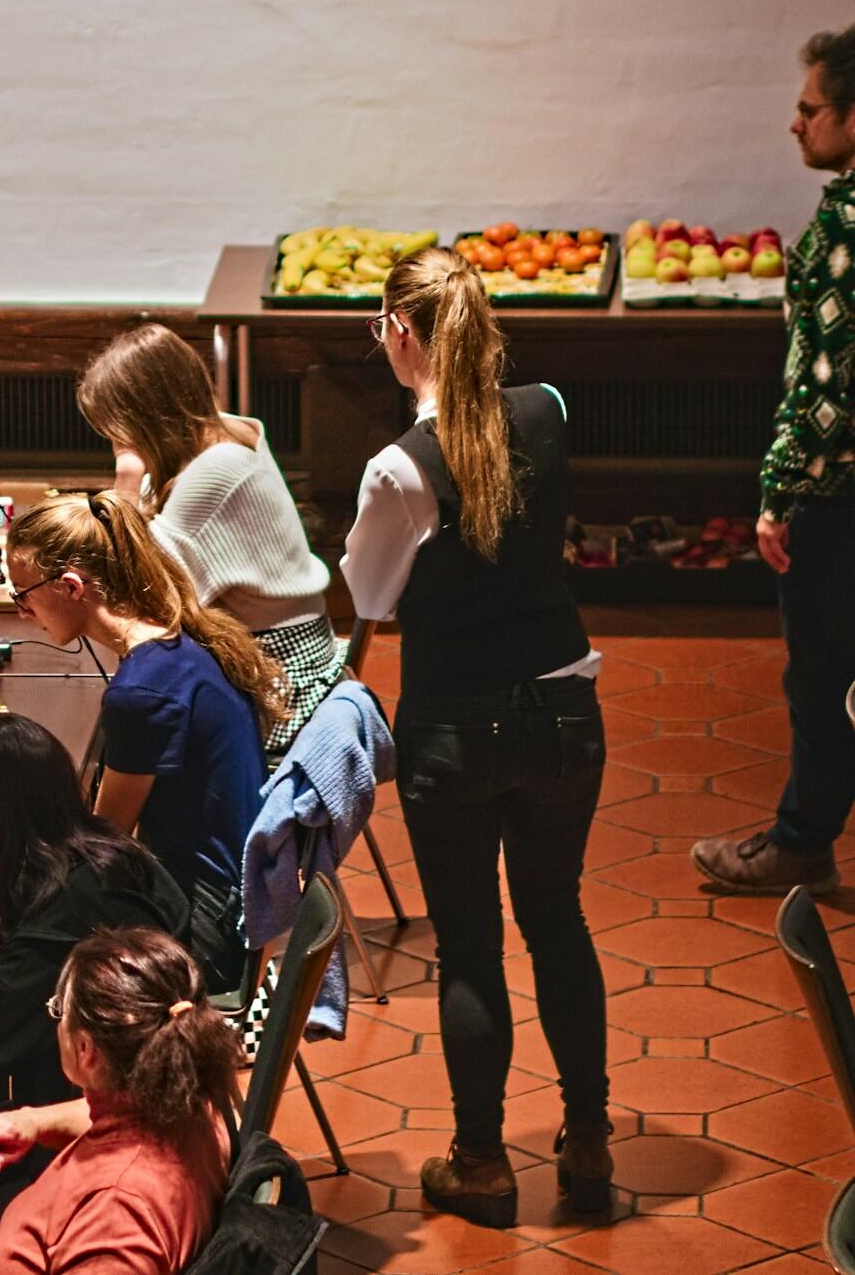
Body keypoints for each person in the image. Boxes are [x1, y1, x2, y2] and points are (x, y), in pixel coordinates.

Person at [341, 246, 609, 1227]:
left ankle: (483, 1165)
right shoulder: (547, 408)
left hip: (456, 730)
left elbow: (369, 595)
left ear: (402, 335)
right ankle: (588, 1142)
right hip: (565, 713)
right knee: (558, 919)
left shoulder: (397, 468)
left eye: (380, 330)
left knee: (469, 947)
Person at [692, 22, 855, 896]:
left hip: (840, 498)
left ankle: (801, 842)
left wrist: (779, 493)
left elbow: (824, 388)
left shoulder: (843, 223)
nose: (797, 126)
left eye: (811, 110)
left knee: (823, 674)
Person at [5, 491, 283, 993]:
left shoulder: (141, 693)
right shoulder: (179, 637)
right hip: (239, 897)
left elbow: (108, 838)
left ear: (70, 587)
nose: (21, 609)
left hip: (208, 930)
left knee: (33, 966)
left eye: (22, 592)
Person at [0, 712, 190, 1214]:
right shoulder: (88, 847)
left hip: (122, 1127)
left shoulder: (70, 906)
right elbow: (1, 931)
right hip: (143, 1095)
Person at [79, 324, 341, 756]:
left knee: (133, 720)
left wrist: (125, 481)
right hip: (288, 650)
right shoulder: (226, 433)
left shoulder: (215, 471)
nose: (113, 441)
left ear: (146, 418)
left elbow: (139, 590)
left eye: (116, 429)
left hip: (279, 679)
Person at [0, 928, 237, 1275]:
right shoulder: (193, 1098)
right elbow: (125, 1118)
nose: (57, 1020)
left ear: (86, 1051)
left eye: (59, 1010)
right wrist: (34, 1121)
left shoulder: (117, 1215)